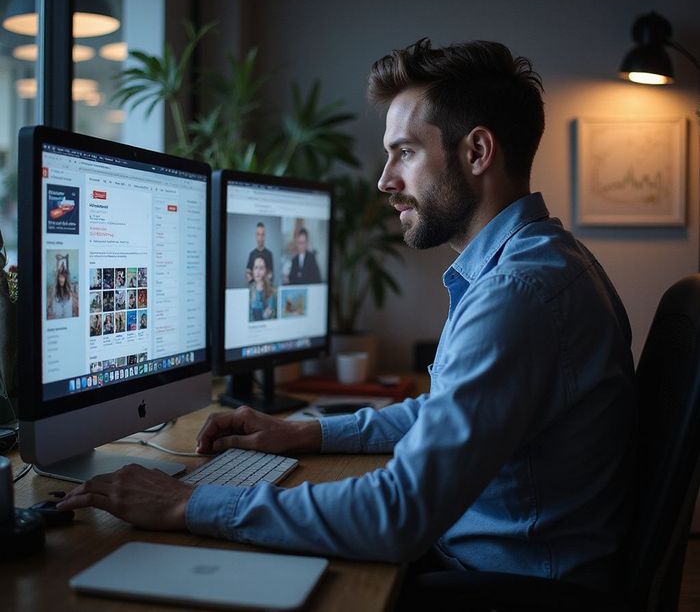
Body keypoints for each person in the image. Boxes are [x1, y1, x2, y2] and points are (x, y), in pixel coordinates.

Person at [57, 39, 635, 595]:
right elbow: (447, 414)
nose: (384, 180)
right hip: (487, 564)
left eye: (404, 152)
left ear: (477, 152)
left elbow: (398, 514)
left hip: (504, 588)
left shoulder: (517, 293)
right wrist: (305, 431)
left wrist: (186, 503)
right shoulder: (542, 259)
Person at [248, 255, 277, 321]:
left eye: (261, 268)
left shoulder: (273, 292)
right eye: (255, 268)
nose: (257, 272)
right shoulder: (249, 291)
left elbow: (271, 317)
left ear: (267, 271)